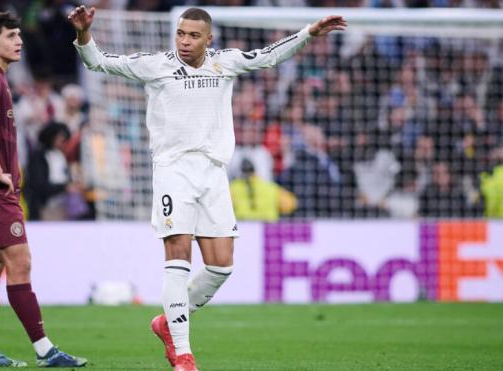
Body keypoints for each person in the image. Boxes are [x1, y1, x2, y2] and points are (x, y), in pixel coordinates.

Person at [69, 6, 346, 371]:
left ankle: (168, 321)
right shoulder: (156, 65)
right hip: (173, 171)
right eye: (181, 33)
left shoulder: (225, 62)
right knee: (178, 259)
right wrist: (84, 34)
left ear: (209, 39)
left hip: (213, 173)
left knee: (221, 267)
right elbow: (98, 63)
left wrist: (309, 32)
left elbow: (268, 56)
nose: (184, 41)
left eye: (193, 35)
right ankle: (183, 353)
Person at [0, 12, 86, 368]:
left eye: (19, 35)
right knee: (21, 262)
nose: (19, 41)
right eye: (11, 36)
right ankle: (45, 350)